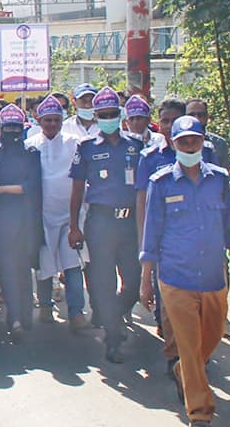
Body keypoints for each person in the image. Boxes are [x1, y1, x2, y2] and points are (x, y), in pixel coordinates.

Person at [141, 115, 230, 427]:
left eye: (194, 140)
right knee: (188, 346)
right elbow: (151, 235)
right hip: (176, 278)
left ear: (203, 142)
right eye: (183, 141)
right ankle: (200, 413)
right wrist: (146, 283)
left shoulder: (218, 180)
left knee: (211, 338)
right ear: (173, 144)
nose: (189, 146)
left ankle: (183, 371)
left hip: (214, 276)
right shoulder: (160, 183)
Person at [69, 87, 144, 364]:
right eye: (104, 115)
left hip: (131, 225)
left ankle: (113, 314)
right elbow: (76, 190)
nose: (109, 118)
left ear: (121, 114)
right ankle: (113, 338)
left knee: (134, 282)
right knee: (102, 282)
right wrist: (73, 227)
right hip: (99, 222)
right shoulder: (86, 148)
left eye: (113, 114)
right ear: (97, 116)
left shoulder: (136, 147)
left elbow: (144, 190)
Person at [25, 96, 90, 331]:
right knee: (43, 266)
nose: (52, 124)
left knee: (72, 265)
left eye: (56, 120)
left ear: (62, 120)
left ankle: (76, 312)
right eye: (47, 120)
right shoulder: (30, 144)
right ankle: (45, 307)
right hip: (42, 217)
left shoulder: (75, 142)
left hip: (70, 216)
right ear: (39, 120)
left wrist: (76, 223)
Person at [0, 104, 42, 339]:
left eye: (17, 128)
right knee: (7, 268)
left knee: (24, 268)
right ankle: (14, 317)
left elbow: (32, 187)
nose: (12, 132)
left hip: (26, 218)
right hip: (1, 220)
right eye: (8, 128)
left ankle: (25, 316)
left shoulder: (31, 152)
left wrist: (2, 189)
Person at [185, 98, 230, 170]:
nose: (196, 118)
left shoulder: (219, 144)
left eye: (200, 115)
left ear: (207, 117)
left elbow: (224, 177)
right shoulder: (177, 143)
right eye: (191, 115)